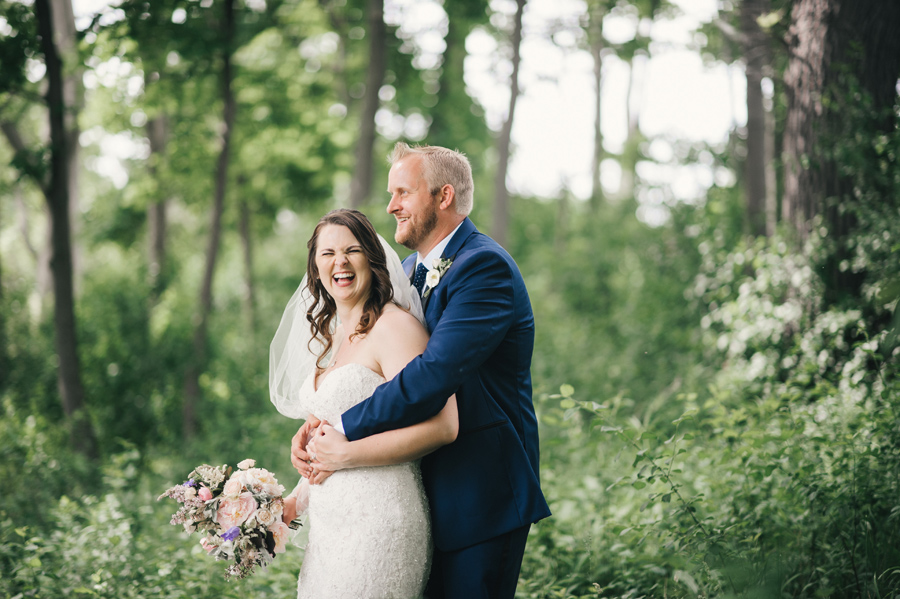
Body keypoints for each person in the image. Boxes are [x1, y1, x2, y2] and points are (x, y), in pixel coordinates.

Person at [293, 143, 551, 598]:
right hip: (416, 492)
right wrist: (316, 440)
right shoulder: (410, 271)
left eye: (403, 193)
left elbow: (432, 374)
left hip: (479, 493)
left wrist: (342, 427)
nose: (391, 205)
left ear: (443, 196)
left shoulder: (484, 267)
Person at [269, 208, 459, 598]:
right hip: (329, 531)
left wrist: (347, 456)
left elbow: (444, 425)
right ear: (315, 266)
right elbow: (331, 443)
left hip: (379, 524)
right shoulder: (329, 335)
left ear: (372, 259)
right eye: (327, 253)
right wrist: (291, 503)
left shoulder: (394, 327)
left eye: (352, 250)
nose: (339, 262)